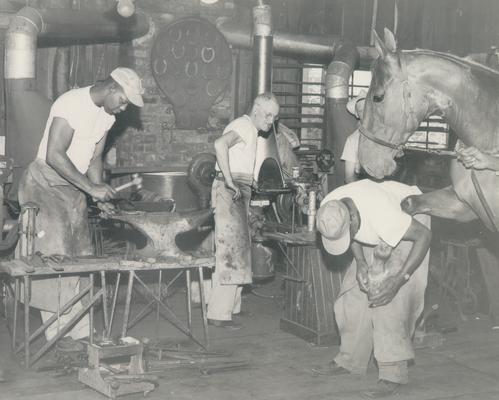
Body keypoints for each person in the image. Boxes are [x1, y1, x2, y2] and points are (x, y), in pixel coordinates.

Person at [18, 67, 144, 345]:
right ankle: (58, 333)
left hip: (73, 188)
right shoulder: (71, 103)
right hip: (44, 185)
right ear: (111, 88)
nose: (124, 108)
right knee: (55, 257)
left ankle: (80, 330)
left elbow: (94, 160)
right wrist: (90, 188)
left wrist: (98, 196)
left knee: (82, 256)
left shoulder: (107, 116)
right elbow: (53, 155)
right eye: (123, 101)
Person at [313, 179, 432, 398]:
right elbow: (352, 235)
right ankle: (350, 359)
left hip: (410, 216)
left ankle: (392, 373)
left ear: (353, 219)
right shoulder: (331, 206)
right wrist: (360, 262)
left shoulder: (383, 215)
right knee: (354, 292)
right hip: (374, 222)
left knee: (388, 296)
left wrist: (400, 279)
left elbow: (424, 235)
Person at [207, 93, 279, 328]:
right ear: (256, 109)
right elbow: (220, 145)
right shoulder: (245, 125)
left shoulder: (250, 130)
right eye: (268, 115)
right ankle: (219, 314)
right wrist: (229, 180)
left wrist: (250, 181)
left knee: (238, 250)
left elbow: (238, 160)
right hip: (230, 191)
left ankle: (230, 309)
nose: (271, 121)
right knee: (231, 251)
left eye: (274, 117)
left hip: (239, 188)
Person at [342, 90, 367, 183]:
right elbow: (349, 177)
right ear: (357, 114)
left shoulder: (385, 134)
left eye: (368, 109)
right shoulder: (352, 140)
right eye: (361, 110)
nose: (365, 113)